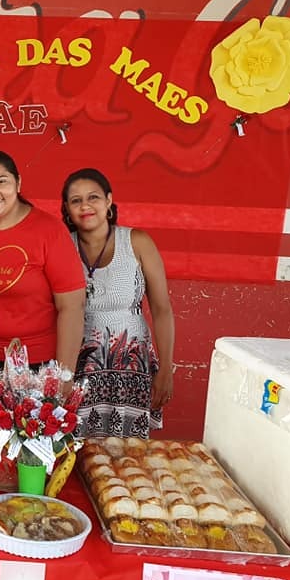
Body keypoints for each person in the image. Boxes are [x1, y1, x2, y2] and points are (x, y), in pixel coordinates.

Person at [0, 150, 86, 383]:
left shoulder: (49, 231)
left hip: (40, 364)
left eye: (1, 182)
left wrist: (63, 376)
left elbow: (72, 307)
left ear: (18, 183)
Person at [61, 167, 175, 439]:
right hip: (78, 367)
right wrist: (62, 374)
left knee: (127, 452)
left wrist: (166, 370)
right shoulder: (61, 246)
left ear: (109, 200)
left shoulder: (137, 242)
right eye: (76, 200)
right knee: (76, 448)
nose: (85, 206)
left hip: (131, 367)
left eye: (93, 197)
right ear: (66, 208)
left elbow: (162, 310)